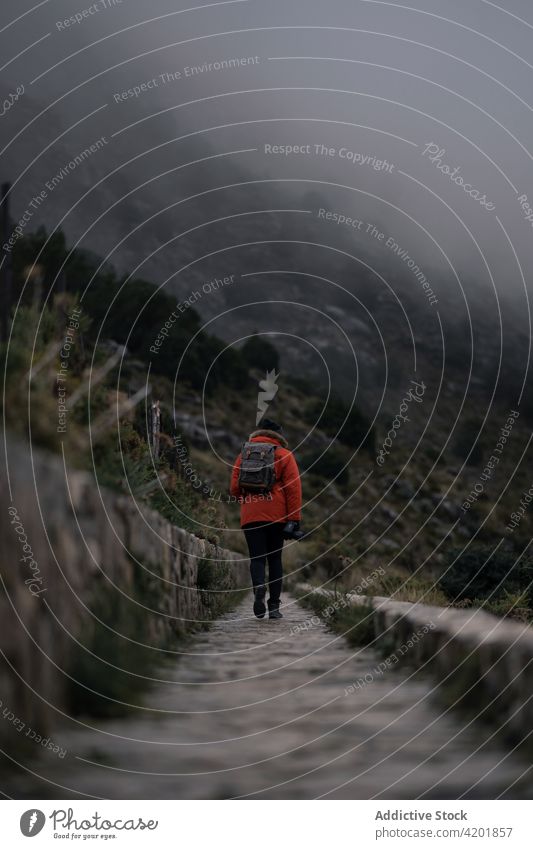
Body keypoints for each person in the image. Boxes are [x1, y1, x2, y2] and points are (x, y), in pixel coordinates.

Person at [230, 419, 302, 620]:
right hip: (276, 516)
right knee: (275, 559)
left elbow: (234, 488)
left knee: (257, 558)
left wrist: (248, 500)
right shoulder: (284, 455)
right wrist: (294, 519)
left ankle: (259, 589)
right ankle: (274, 607)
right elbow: (293, 489)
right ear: (279, 435)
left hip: (251, 514)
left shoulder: (244, 454)